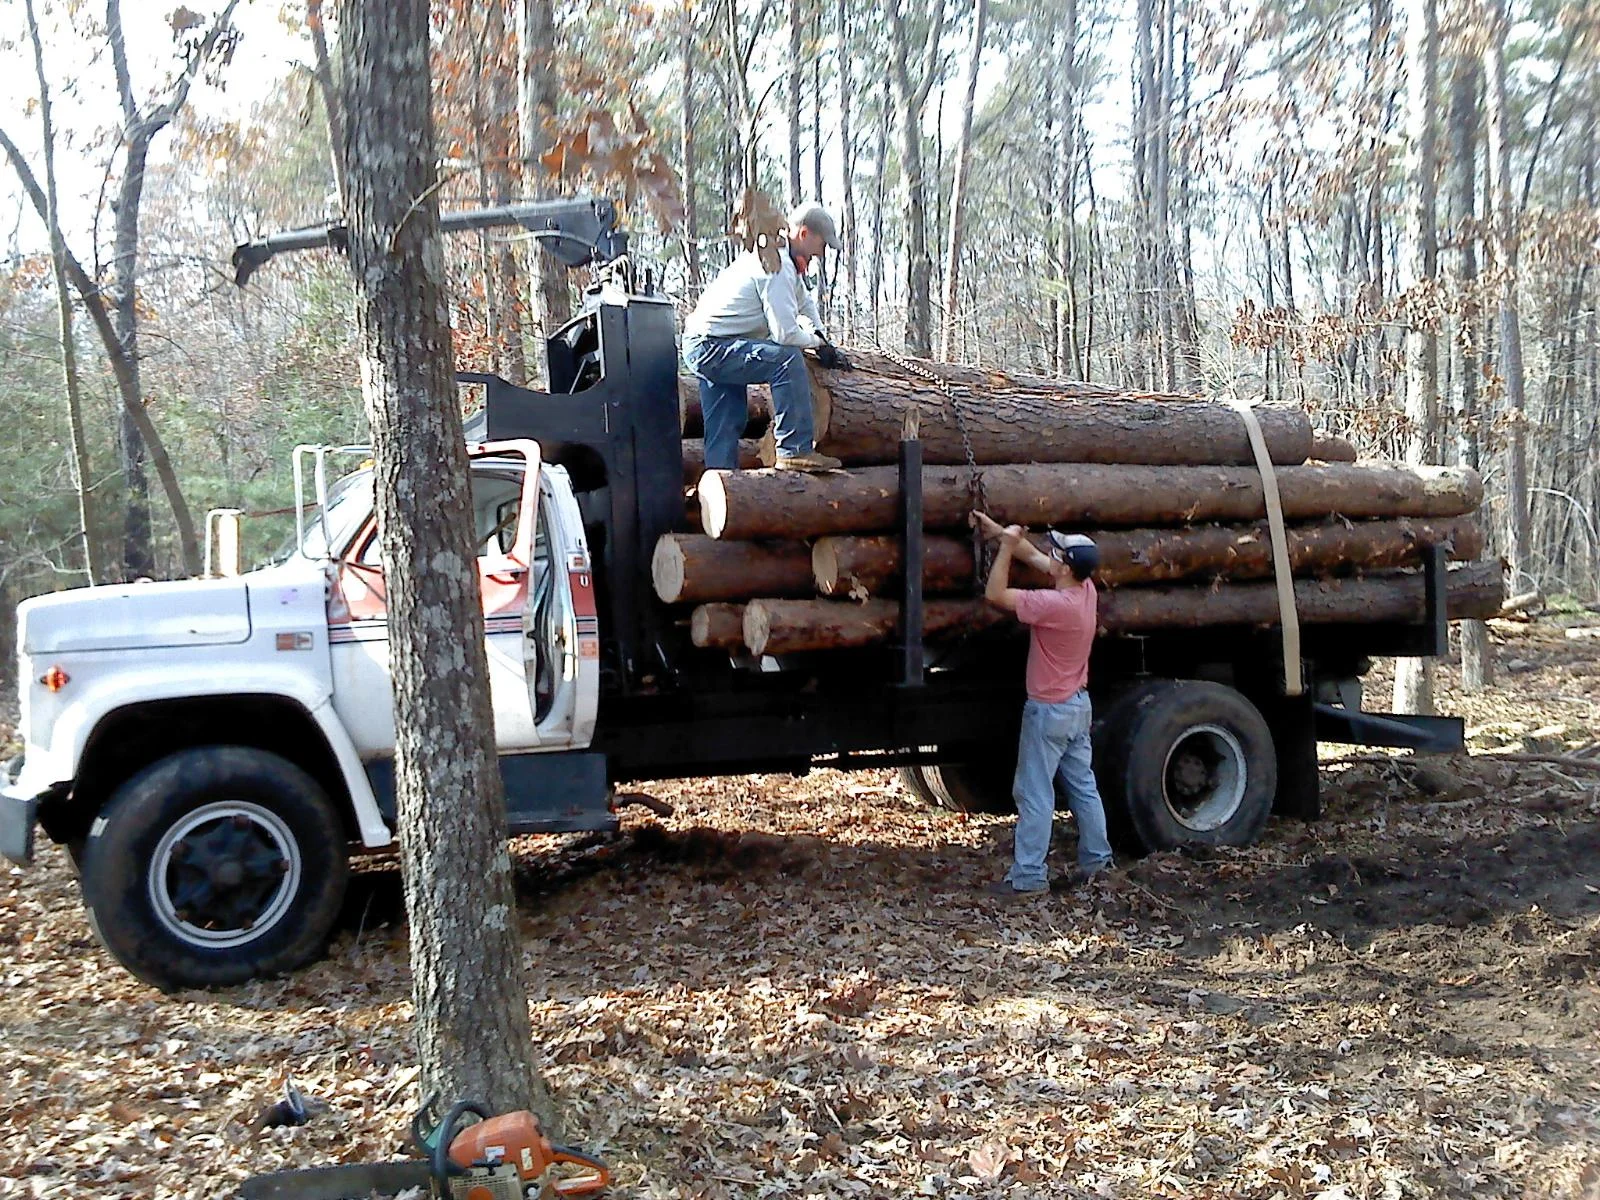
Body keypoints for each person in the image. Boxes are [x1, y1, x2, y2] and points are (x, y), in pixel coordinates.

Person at [971, 511, 1115, 898]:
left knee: (1034, 794)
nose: (1051, 554)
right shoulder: (1085, 591)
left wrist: (1003, 550)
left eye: (1058, 553)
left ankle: (1029, 877)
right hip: (1076, 706)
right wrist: (1005, 535)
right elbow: (1038, 560)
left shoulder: (1054, 606)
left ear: (1066, 567)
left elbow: (995, 594)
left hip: (1048, 712)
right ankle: (1098, 862)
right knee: (1084, 788)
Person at [682, 202, 852, 473]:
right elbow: (784, 335)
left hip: (705, 343)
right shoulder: (777, 266)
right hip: (711, 346)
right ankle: (794, 449)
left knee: (727, 420)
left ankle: (722, 487)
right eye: (821, 244)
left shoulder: (782, 260)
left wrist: (822, 338)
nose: (822, 253)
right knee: (786, 360)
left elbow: (805, 303)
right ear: (804, 234)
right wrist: (816, 343)